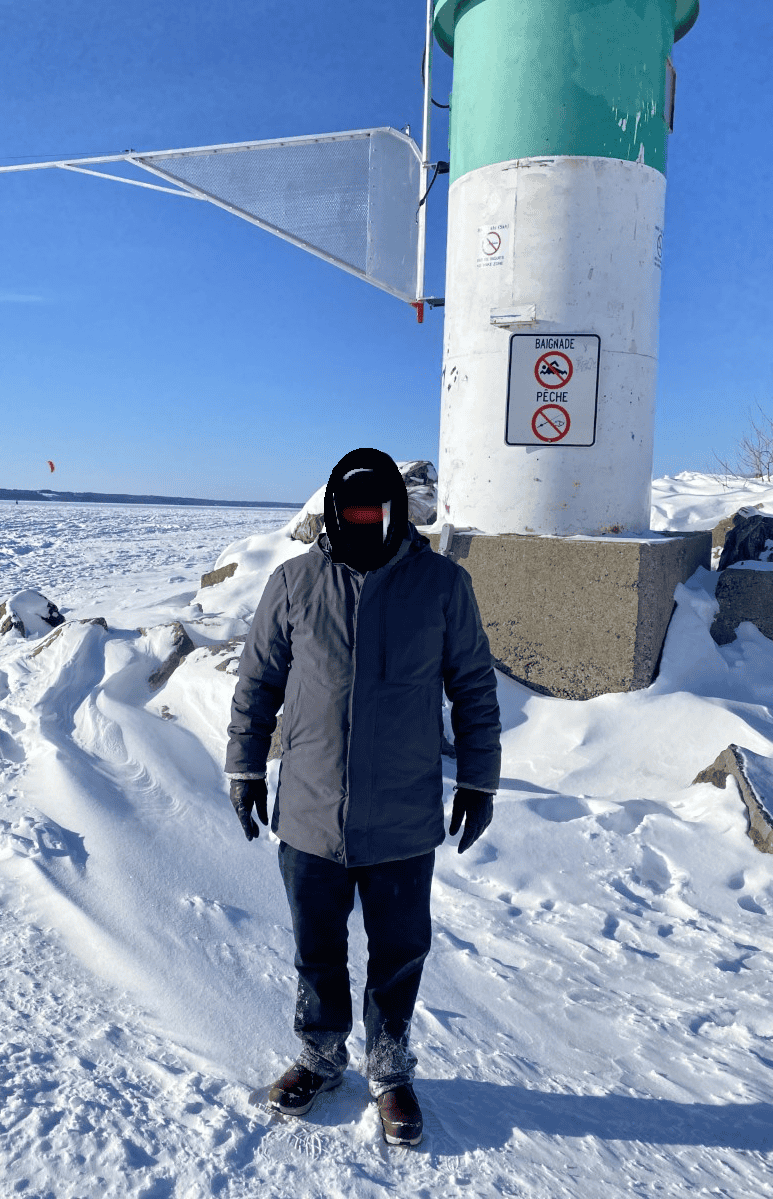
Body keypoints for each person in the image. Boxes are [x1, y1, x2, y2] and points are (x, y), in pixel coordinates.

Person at [226, 448, 501, 1147]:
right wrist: (246, 768)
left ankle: (389, 1064)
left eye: (372, 511)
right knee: (316, 948)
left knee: (399, 948)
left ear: (394, 512)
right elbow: (258, 684)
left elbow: (472, 686)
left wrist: (478, 778)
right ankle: (320, 1053)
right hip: (312, 811)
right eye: (347, 511)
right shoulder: (293, 583)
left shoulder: (442, 585)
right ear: (330, 512)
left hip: (404, 816)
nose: (360, 523)